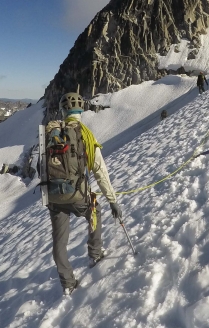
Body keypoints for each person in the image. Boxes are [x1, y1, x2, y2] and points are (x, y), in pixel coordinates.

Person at [44, 92, 122, 295]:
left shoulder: (51, 133)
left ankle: (67, 282)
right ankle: (95, 253)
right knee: (95, 210)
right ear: (81, 111)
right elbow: (100, 171)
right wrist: (112, 200)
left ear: (63, 111)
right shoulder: (85, 134)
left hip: (53, 197)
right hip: (78, 195)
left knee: (59, 241)